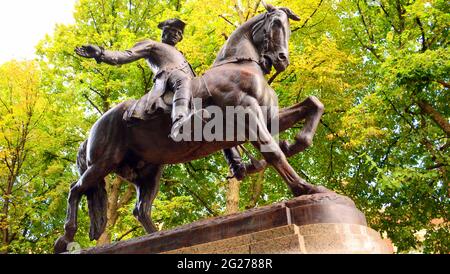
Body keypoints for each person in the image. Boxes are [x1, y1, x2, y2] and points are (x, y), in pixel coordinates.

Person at [75, 18, 195, 139]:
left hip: (188, 82)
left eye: (179, 33)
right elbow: (126, 55)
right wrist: (101, 53)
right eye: (173, 30)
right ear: (164, 32)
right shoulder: (152, 45)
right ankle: (180, 121)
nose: (176, 34)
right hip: (169, 78)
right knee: (183, 80)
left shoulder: (181, 54)